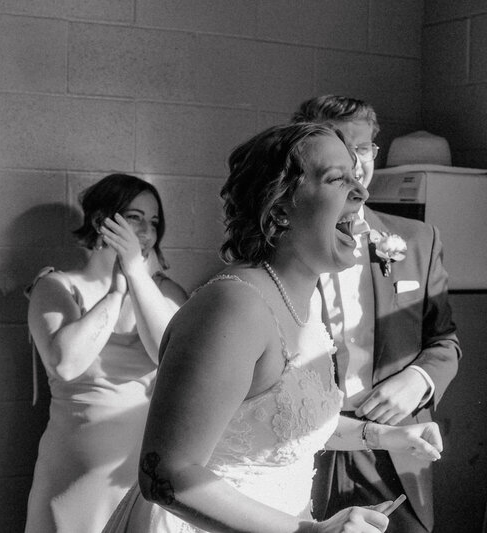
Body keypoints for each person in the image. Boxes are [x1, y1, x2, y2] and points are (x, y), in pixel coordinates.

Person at [102, 123, 445, 533]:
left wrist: (382, 436)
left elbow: (280, 419)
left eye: (356, 175)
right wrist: (310, 532)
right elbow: (166, 475)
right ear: (280, 208)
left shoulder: (304, 298)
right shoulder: (232, 307)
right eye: (337, 179)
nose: (362, 192)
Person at [293, 95, 461, 532]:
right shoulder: (284, 246)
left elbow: (444, 340)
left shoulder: (418, 239)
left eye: (364, 148)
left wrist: (418, 380)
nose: (355, 161)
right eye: (340, 147)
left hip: (396, 446)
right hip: (305, 444)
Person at [23, 173, 188, 532]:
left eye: (154, 222)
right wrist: (115, 294)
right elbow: (66, 364)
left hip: (143, 475)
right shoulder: (56, 287)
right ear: (100, 221)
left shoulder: (166, 293)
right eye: (134, 218)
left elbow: (173, 359)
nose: (146, 232)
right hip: (71, 476)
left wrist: (136, 278)